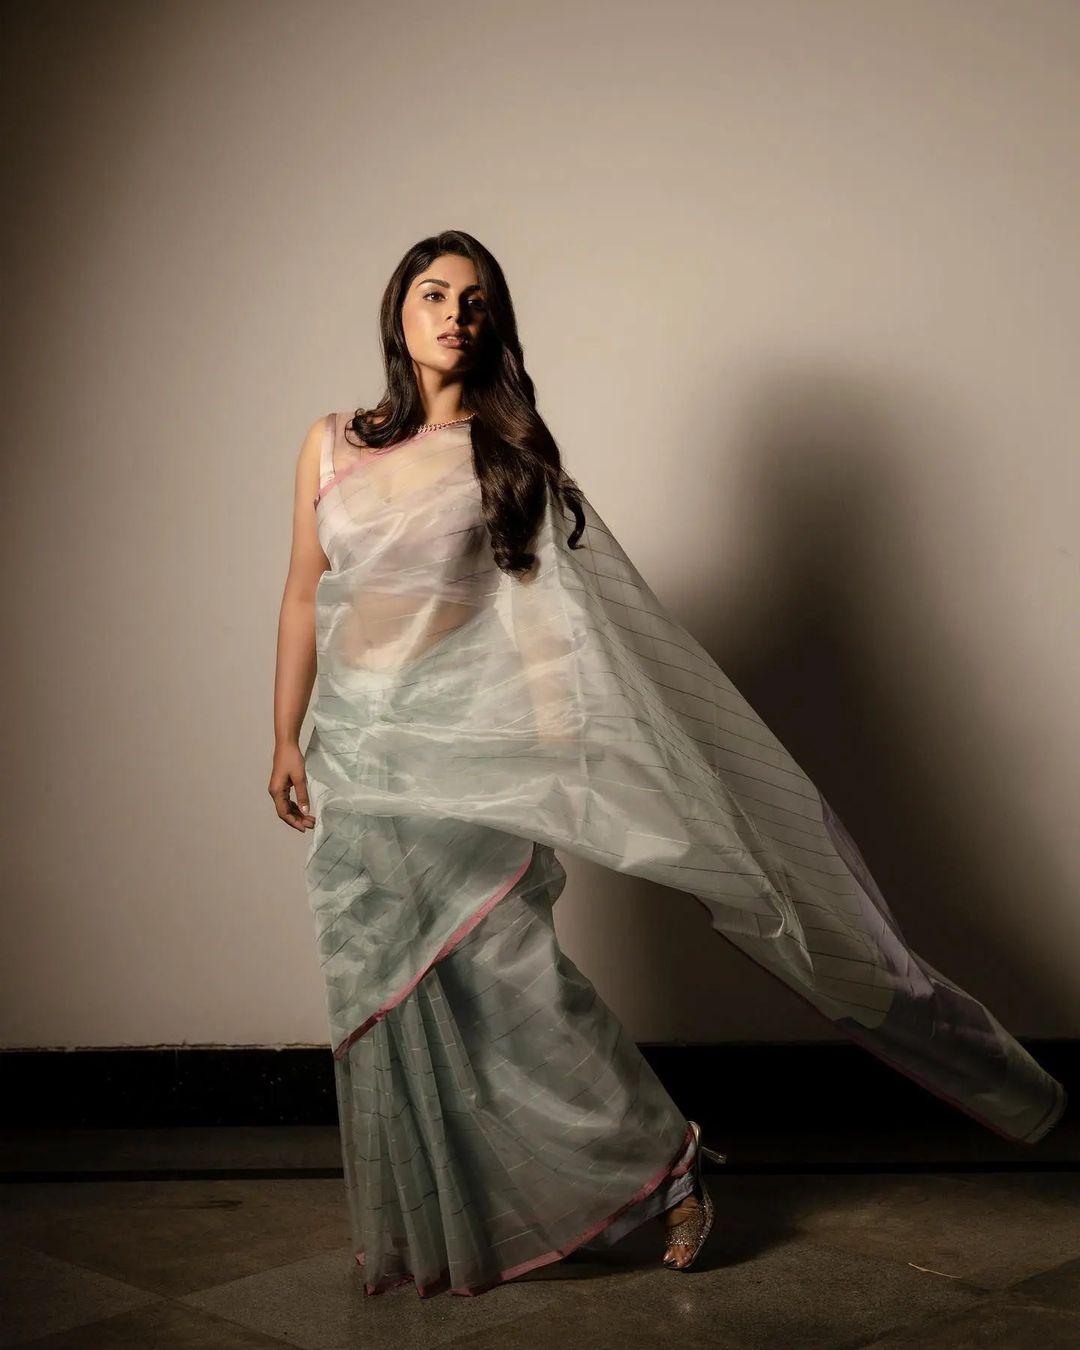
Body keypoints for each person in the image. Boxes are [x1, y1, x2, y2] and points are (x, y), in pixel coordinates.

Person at [270, 231, 1066, 1298]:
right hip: (354, 753)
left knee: (510, 984)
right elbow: (301, 592)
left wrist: (554, 764)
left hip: (466, 760)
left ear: (494, 326)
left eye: (475, 300)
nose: (454, 313)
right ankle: (439, 1223)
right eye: (433, 293)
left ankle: (663, 1164)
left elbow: (546, 632)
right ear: (397, 311)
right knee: (386, 991)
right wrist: (284, 734)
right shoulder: (328, 444)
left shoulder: (505, 458)